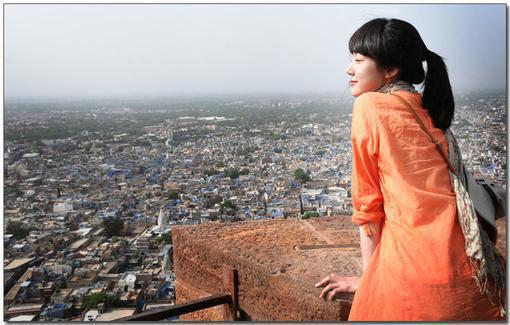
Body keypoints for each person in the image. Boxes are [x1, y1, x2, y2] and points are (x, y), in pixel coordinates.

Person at [314, 18, 506, 321]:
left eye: (358, 60)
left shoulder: (370, 106)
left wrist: (369, 282)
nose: (348, 69)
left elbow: (369, 210)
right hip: (473, 282)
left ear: (390, 71)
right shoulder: (424, 106)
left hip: (417, 283)